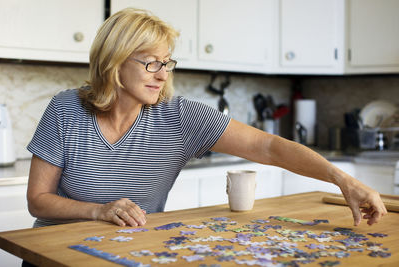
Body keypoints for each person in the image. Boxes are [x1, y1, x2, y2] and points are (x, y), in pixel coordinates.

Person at [26, 7, 386, 230]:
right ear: (114, 61)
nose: (162, 73)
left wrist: (343, 180)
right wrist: (99, 211)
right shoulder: (66, 109)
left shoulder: (181, 117)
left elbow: (269, 146)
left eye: (166, 62)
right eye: (150, 62)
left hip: (129, 252)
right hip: (55, 249)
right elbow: (38, 200)